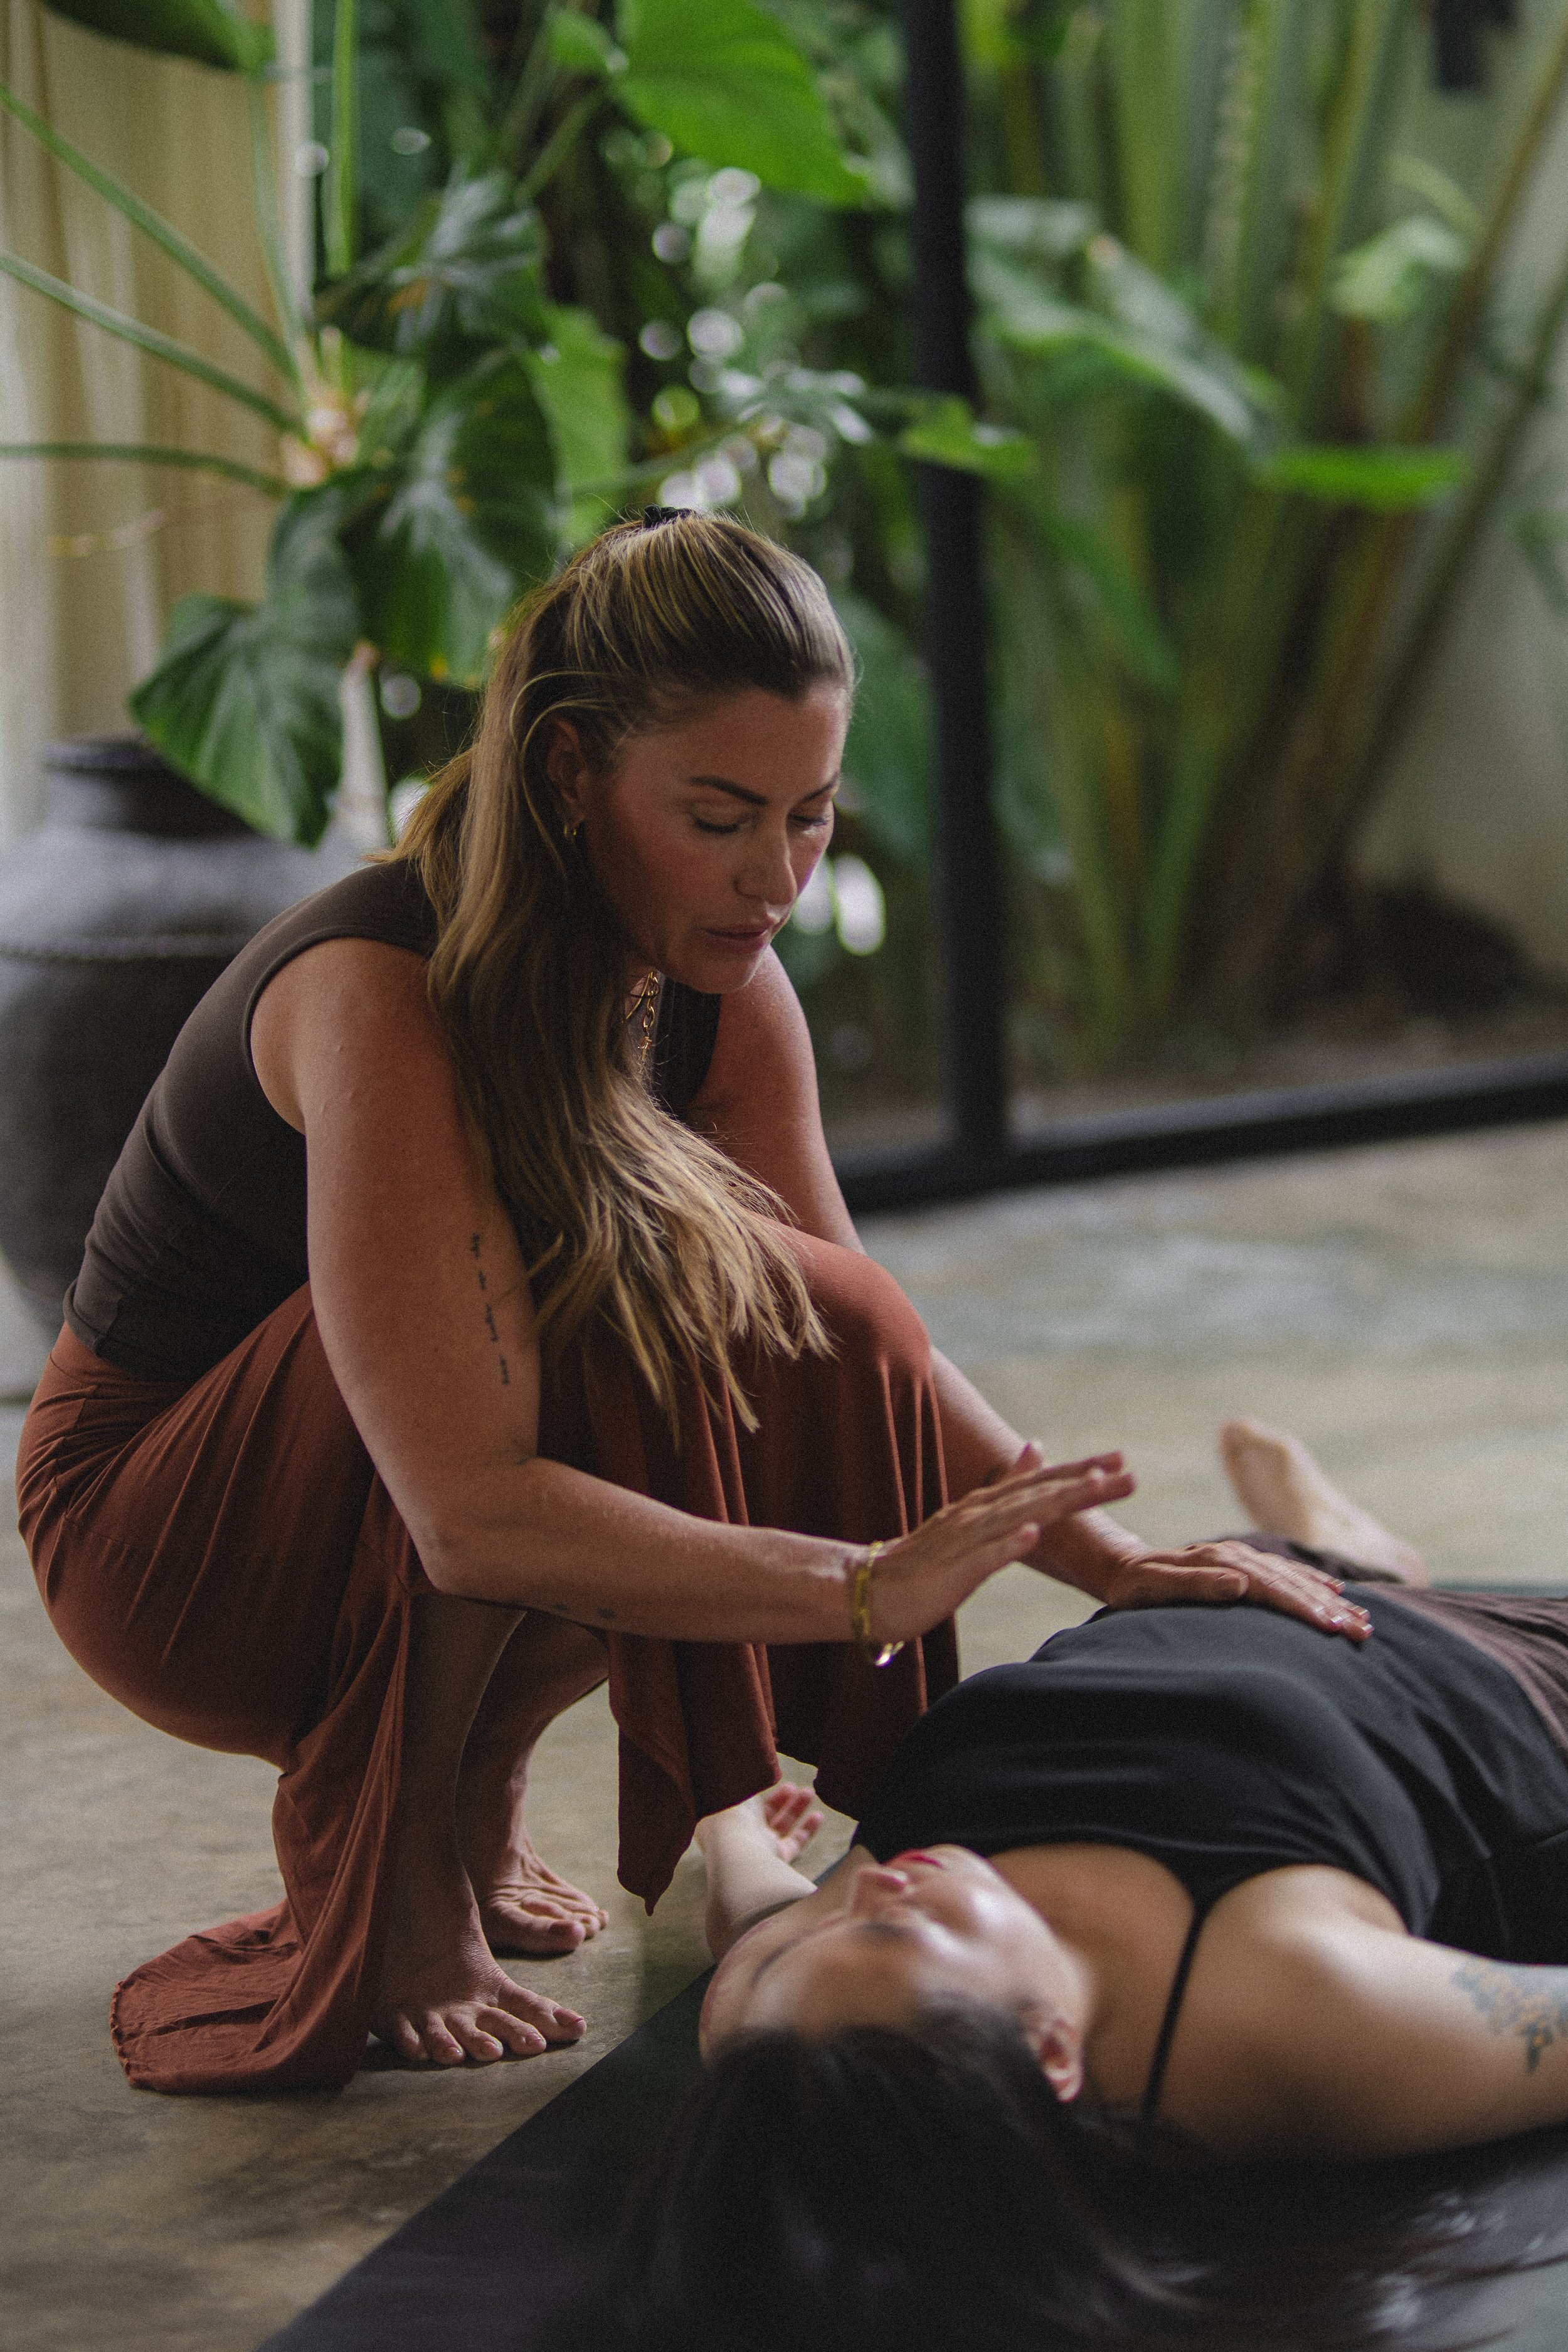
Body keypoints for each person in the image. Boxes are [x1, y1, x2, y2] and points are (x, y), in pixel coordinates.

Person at [16, 513, 1351, 2095]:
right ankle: (384, 1863)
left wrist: (1100, 1561)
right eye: (718, 817)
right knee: (595, 1285)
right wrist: (854, 1585)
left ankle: (465, 1788)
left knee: (773, 1304)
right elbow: (465, 1510)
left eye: (809, 816)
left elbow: (848, 1339)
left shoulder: (715, 980)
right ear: (571, 770)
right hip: (171, 1547)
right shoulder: (376, 992)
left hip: (408, 1488)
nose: (775, 876)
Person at [616, 1419, 1568, 2352]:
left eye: (817, 1938)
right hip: (1515, 1686)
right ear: (1052, 2050)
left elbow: (759, 1922)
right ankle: (1363, 1558)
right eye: (894, 1936)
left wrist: (732, 1831)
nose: (864, 1895)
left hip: (1221, 1593)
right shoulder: (1298, 2010)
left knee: (1287, 1561)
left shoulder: (783, 2027)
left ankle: (1354, 1548)